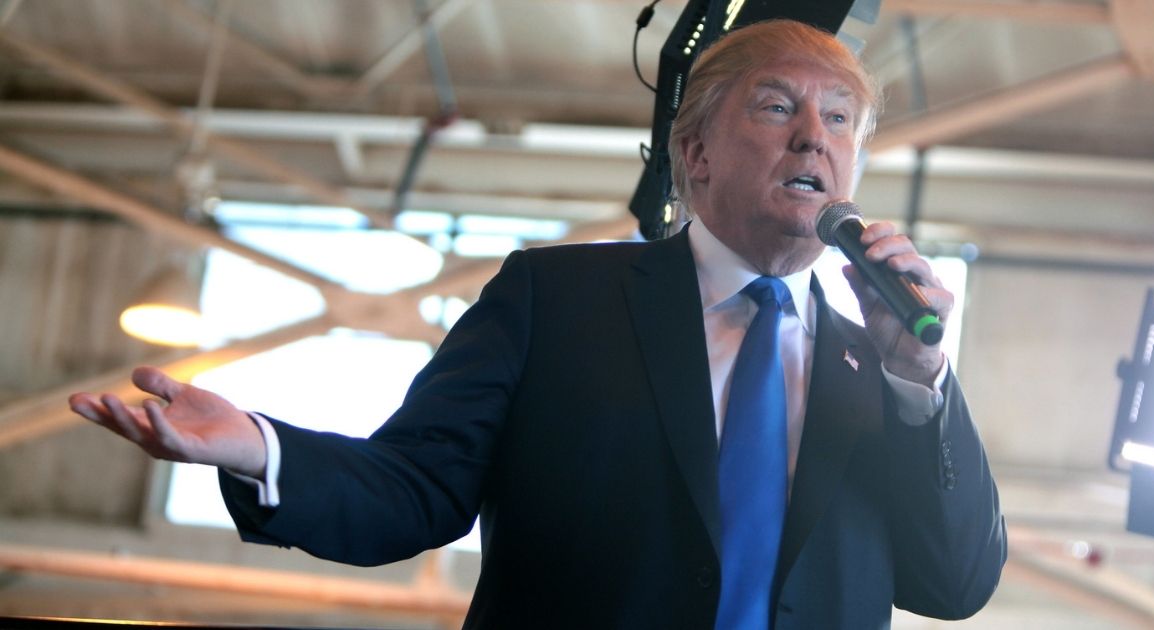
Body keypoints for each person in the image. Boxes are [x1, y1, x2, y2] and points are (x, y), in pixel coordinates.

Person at [69, 20, 1006, 629]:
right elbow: (416, 490)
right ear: (694, 152)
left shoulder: (877, 362)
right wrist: (261, 449)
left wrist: (920, 385)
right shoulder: (554, 301)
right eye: (778, 107)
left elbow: (953, 584)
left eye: (840, 120)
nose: (815, 136)